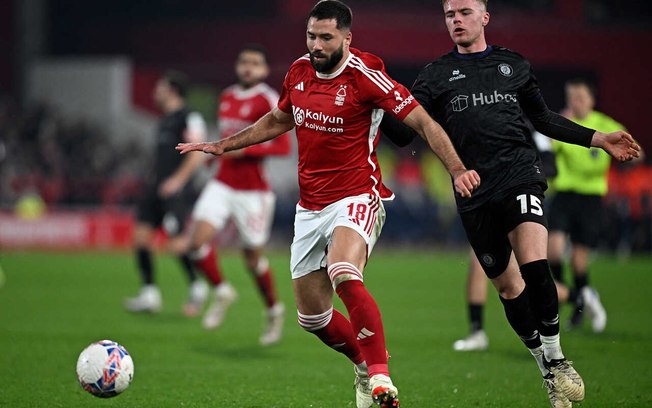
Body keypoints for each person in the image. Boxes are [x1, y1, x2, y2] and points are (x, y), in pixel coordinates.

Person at [177, 1, 480, 406]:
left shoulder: (366, 76)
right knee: (312, 318)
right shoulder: (299, 71)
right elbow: (280, 118)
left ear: (346, 38)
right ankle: (361, 363)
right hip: (310, 207)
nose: (316, 45)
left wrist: (457, 169)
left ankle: (380, 378)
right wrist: (223, 144)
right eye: (311, 36)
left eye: (326, 38)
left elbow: (422, 121)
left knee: (343, 271)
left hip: (358, 195)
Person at [379, 0, 640, 406]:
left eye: (465, 12)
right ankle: (544, 364)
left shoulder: (512, 64)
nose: (457, 21)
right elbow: (402, 135)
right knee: (507, 287)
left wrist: (598, 139)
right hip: (472, 191)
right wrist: (380, 102)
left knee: (536, 267)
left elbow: (544, 118)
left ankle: (557, 355)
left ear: (484, 17)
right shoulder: (434, 75)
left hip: (520, 175)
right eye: (450, 14)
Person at [184, 44, 291, 345]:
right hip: (221, 183)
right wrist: (214, 154)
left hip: (253, 192)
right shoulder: (227, 96)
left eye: (255, 63)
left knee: (252, 260)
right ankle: (221, 290)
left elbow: (282, 146)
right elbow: (224, 139)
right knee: (195, 242)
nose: (248, 67)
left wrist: (242, 150)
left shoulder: (268, 99)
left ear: (265, 70)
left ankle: (273, 310)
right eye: (244, 61)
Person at [547, 78, 631, 333]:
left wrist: (627, 154)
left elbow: (632, 149)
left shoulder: (606, 125)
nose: (576, 102)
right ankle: (561, 300)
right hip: (564, 194)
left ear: (592, 100)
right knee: (553, 251)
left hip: (591, 199)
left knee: (579, 261)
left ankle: (579, 309)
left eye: (581, 97)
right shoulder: (563, 124)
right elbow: (548, 152)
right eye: (572, 97)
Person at [124, 71, 209, 314]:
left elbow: (197, 152)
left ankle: (196, 286)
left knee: (177, 242)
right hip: (155, 188)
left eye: (159, 87)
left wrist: (177, 181)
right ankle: (149, 293)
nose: (155, 92)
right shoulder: (163, 120)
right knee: (141, 237)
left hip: (176, 190)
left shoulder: (189, 117)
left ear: (172, 90)